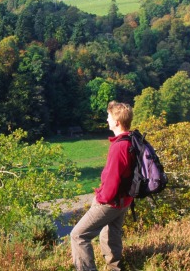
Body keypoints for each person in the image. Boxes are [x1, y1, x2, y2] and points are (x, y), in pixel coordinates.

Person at [70, 101, 134, 271]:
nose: (107, 120)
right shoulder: (131, 140)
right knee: (110, 233)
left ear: (117, 122)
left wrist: (100, 198)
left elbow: (112, 182)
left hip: (111, 201)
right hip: (124, 200)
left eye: (108, 116)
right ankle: (115, 268)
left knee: (78, 235)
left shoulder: (119, 147)